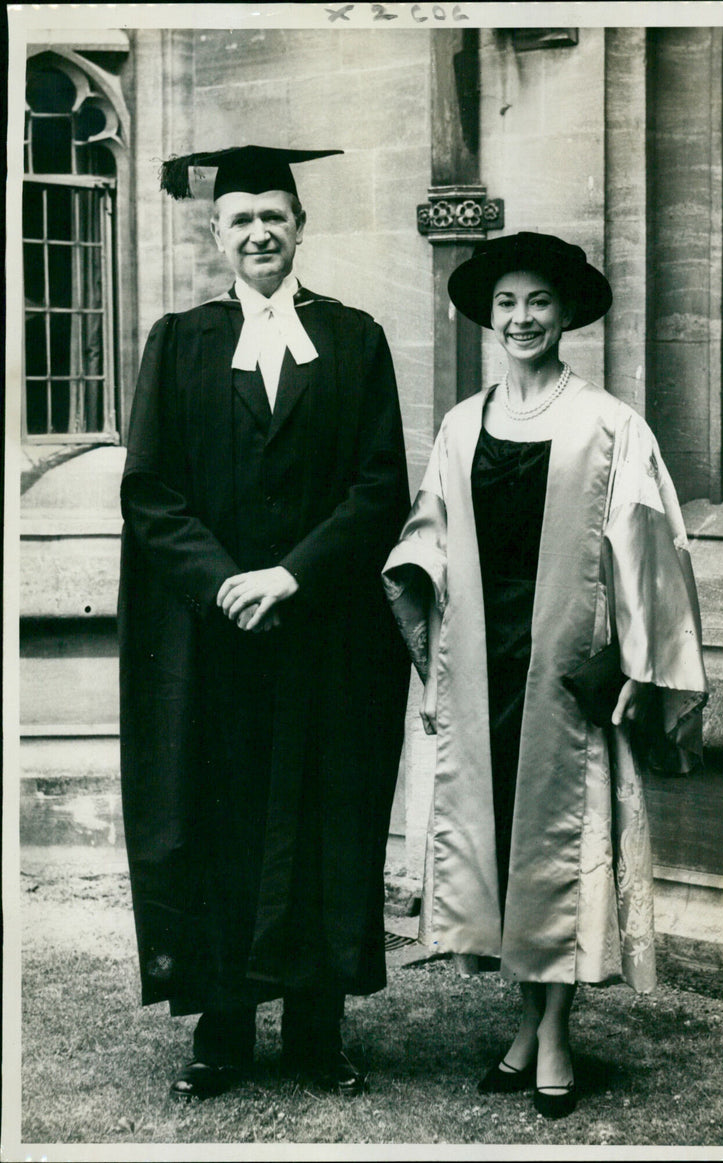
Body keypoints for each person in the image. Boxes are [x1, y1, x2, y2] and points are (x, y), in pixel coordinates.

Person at [382, 231, 708, 1119]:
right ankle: (525, 1025)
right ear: (489, 319)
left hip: (568, 673)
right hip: (484, 668)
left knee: (560, 852)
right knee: (497, 855)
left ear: (567, 313)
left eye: (538, 302)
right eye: (506, 305)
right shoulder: (461, 423)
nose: (521, 318)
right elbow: (427, 537)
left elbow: (650, 548)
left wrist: (641, 661)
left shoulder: (607, 424)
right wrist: (423, 614)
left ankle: (555, 1032)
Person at [118, 145, 410, 1100]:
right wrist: (223, 583)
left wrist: (290, 576)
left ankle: (318, 1031)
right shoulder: (181, 340)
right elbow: (151, 493)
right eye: (241, 219)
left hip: (326, 635)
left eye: (274, 216)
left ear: (299, 226)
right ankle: (224, 1027)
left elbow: (379, 488)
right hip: (214, 644)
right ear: (217, 234)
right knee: (222, 817)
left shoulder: (356, 340)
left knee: (327, 816)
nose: (259, 233)